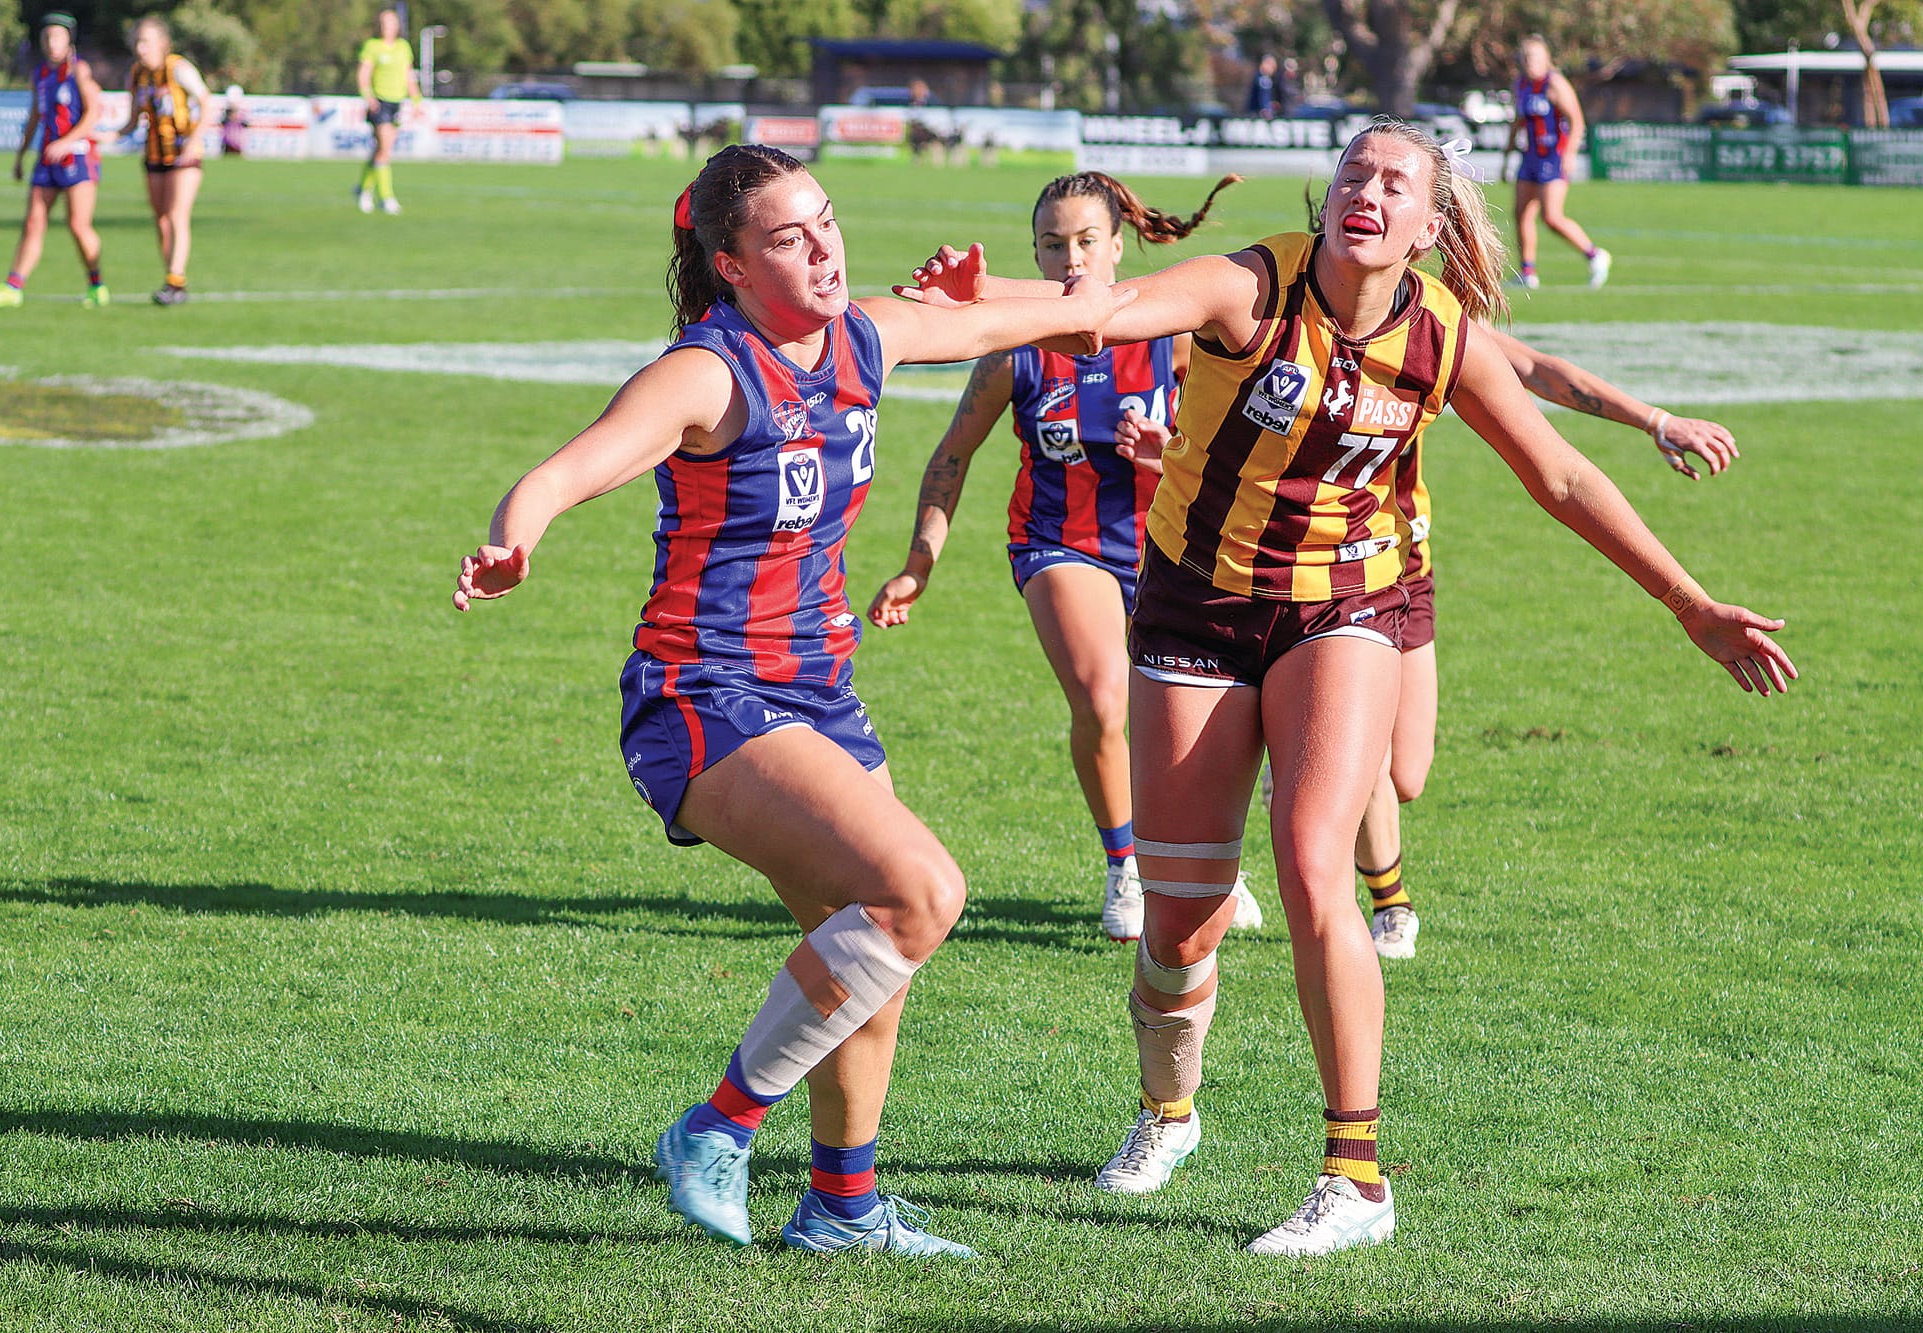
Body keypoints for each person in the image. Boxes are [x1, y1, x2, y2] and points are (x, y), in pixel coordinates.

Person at [900, 116, 1793, 1256]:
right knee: (1179, 921)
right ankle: (1167, 1111)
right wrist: (963, 313)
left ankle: (1353, 1175)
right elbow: (1104, 312)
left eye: (1394, 183)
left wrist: (1689, 603)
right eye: (1351, 173)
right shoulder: (1251, 285)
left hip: (1345, 607)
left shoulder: (1441, 336)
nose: (1366, 191)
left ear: (1427, 227)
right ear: (1327, 200)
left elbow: (1558, 475)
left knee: (1314, 861)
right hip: (1196, 603)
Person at [452, 145, 1130, 1257]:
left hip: (818, 689)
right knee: (918, 890)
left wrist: (978, 290)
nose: (821, 248)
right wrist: (515, 536)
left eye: (826, 222)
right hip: (703, 694)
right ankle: (715, 1130)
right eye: (786, 236)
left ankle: (841, 1209)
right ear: (728, 263)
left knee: (867, 940)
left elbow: (1056, 317)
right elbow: (571, 467)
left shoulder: (865, 333)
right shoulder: (707, 372)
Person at [868, 170, 1265, 944]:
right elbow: (952, 456)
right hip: (1059, 541)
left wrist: (1166, 453)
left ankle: (1204, 863)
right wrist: (919, 562)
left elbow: (1233, 453)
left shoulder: (1174, 336)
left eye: (1087, 241)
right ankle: (1126, 865)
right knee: (1104, 697)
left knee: (1189, 720)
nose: (1072, 260)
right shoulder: (1012, 353)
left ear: (1120, 246)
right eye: (1053, 245)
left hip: (1171, 545)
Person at [1350, 332, 1744, 959]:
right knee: (1360, 752)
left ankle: (1296, 760)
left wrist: (1656, 420)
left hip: (1407, 568)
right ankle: (1391, 905)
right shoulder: (1296, 306)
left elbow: (1536, 369)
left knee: (1406, 775)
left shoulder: (1426, 319)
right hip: (1336, 579)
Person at [0, 14, 107, 310]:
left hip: (77, 157)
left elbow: (93, 113)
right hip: (47, 159)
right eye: (47, 37)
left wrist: (65, 141)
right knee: (33, 222)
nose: (52, 43)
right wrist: (21, 155)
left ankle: (96, 284)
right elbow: (36, 116)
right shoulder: (40, 74)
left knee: (78, 225)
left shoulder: (79, 71)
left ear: (68, 41)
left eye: (58, 37)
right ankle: (13, 287)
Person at [1504, 37, 1608, 290]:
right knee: (1521, 214)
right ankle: (1527, 273)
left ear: (1546, 58)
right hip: (1530, 157)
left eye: (1535, 57)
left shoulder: (1555, 83)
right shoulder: (1521, 85)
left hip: (1552, 157)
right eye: (1526, 57)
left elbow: (1577, 121)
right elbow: (1519, 121)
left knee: (1551, 217)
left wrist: (1569, 154)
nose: (1530, 62)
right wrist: (1507, 154)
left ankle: (1595, 255)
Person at [123, 16, 210, 306]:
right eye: (137, 41)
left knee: (176, 215)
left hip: (184, 155)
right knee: (161, 220)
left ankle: (175, 278)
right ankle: (174, 282)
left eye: (146, 41)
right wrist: (106, 136)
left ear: (162, 43)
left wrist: (195, 140)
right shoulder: (137, 75)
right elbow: (132, 120)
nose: (140, 47)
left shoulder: (179, 69)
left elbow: (207, 103)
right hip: (154, 155)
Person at [355, 9, 419, 215]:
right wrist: (368, 96)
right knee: (385, 148)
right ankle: (386, 197)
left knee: (381, 151)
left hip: (396, 103)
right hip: (379, 103)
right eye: (384, 22)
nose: (387, 26)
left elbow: (409, 76)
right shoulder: (372, 46)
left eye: (391, 22)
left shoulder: (403, 47)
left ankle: (363, 190)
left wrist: (417, 100)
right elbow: (363, 74)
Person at [1246, 54, 1280, 118]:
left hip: (1252, 114)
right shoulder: (1264, 79)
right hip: (1256, 115)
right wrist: (1266, 110)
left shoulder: (1258, 76)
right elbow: (1264, 96)